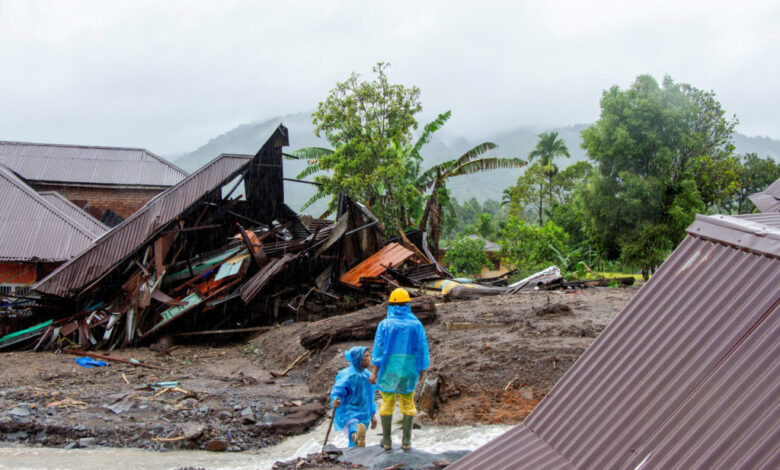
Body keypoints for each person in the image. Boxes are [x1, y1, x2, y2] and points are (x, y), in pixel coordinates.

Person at [369, 287, 430, 450]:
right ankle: (406, 442)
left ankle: (387, 441)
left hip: (388, 370)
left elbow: (378, 350)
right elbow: (423, 348)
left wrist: (374, 372)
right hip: (409, 370)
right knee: (408, 402)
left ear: (391, 305)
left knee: (387, 403)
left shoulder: (385, 324)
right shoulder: (416, 325)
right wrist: (422, 369)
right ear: (408, 305)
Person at [330, 346, 378, 447]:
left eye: (369, 355)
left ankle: (355, 448)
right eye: (366, 356)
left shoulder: (367, 375)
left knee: (359, 436)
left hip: (364, 412)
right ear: (358, 358)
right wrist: (335, 400)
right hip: (349, 411)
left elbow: (370, 397)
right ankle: (356, 439)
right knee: (353, 428)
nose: (369, 358)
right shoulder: (347, 375)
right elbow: (338, 391)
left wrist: (372, 415)